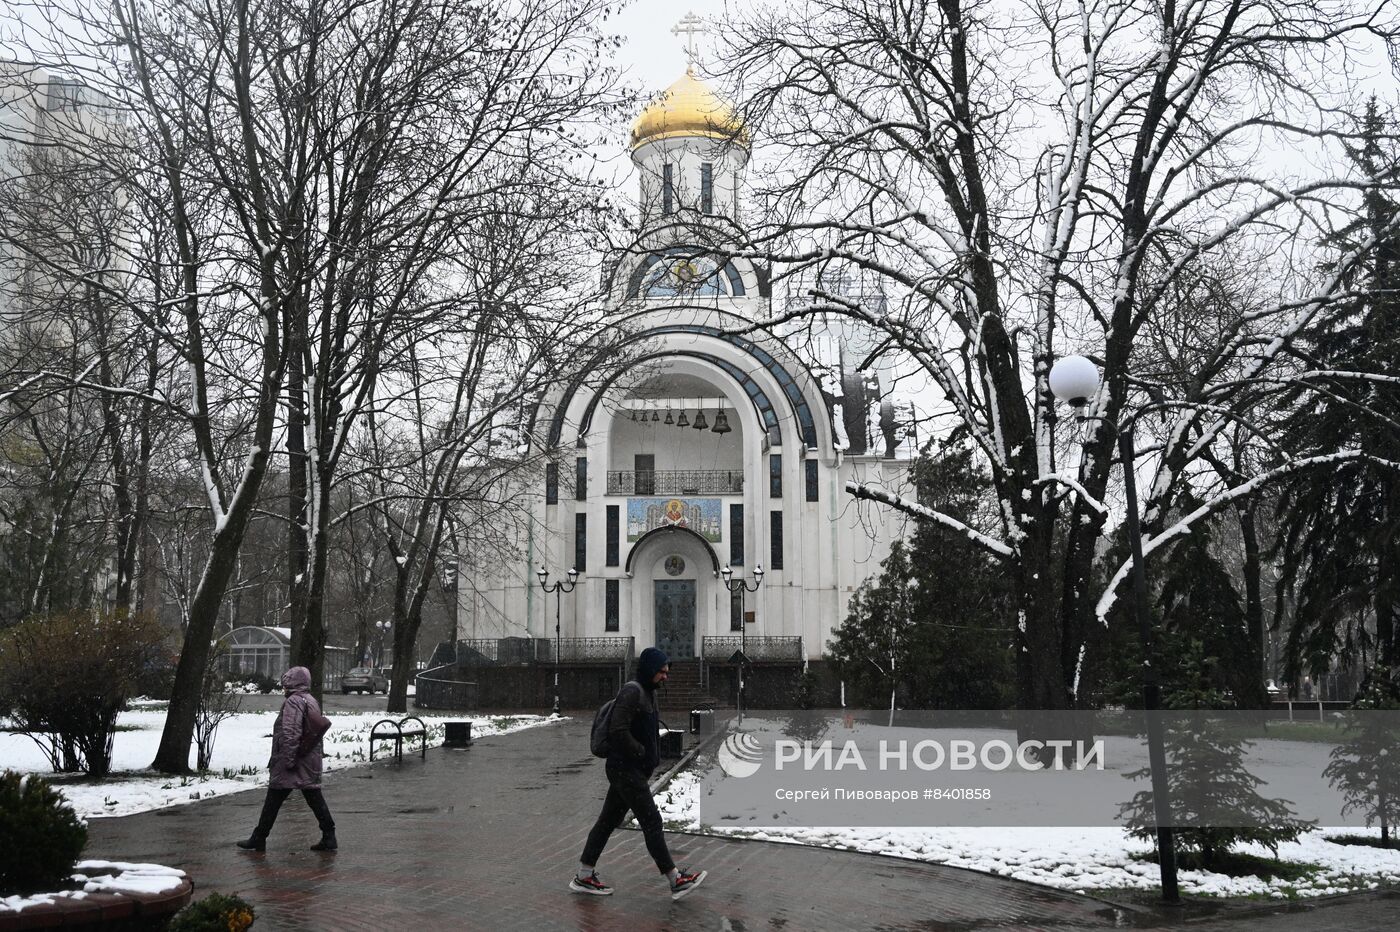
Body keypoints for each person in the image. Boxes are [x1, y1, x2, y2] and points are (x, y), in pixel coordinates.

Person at [570, 646, 706, 901]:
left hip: (630, 770)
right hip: (625, 769)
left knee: (607, 822)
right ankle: (675, 880)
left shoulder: (648, 692)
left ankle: (584, 875)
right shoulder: (632, 691)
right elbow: (617, 730)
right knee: (651, 821)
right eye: (661, 672)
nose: (665, 676)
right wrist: (641, 752)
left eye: (667, 672)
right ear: (649, 670)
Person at [236, 666, 337, 852]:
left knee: (274, 797)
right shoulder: (310, 700)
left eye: (286, 683)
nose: (283, 687)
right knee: (313, 795)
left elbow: (291, 732)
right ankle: (329, 835)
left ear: (291, 683)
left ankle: (259, 837)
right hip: (308, 758)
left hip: (293, 760)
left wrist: (289, 760)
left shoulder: (294, 701)